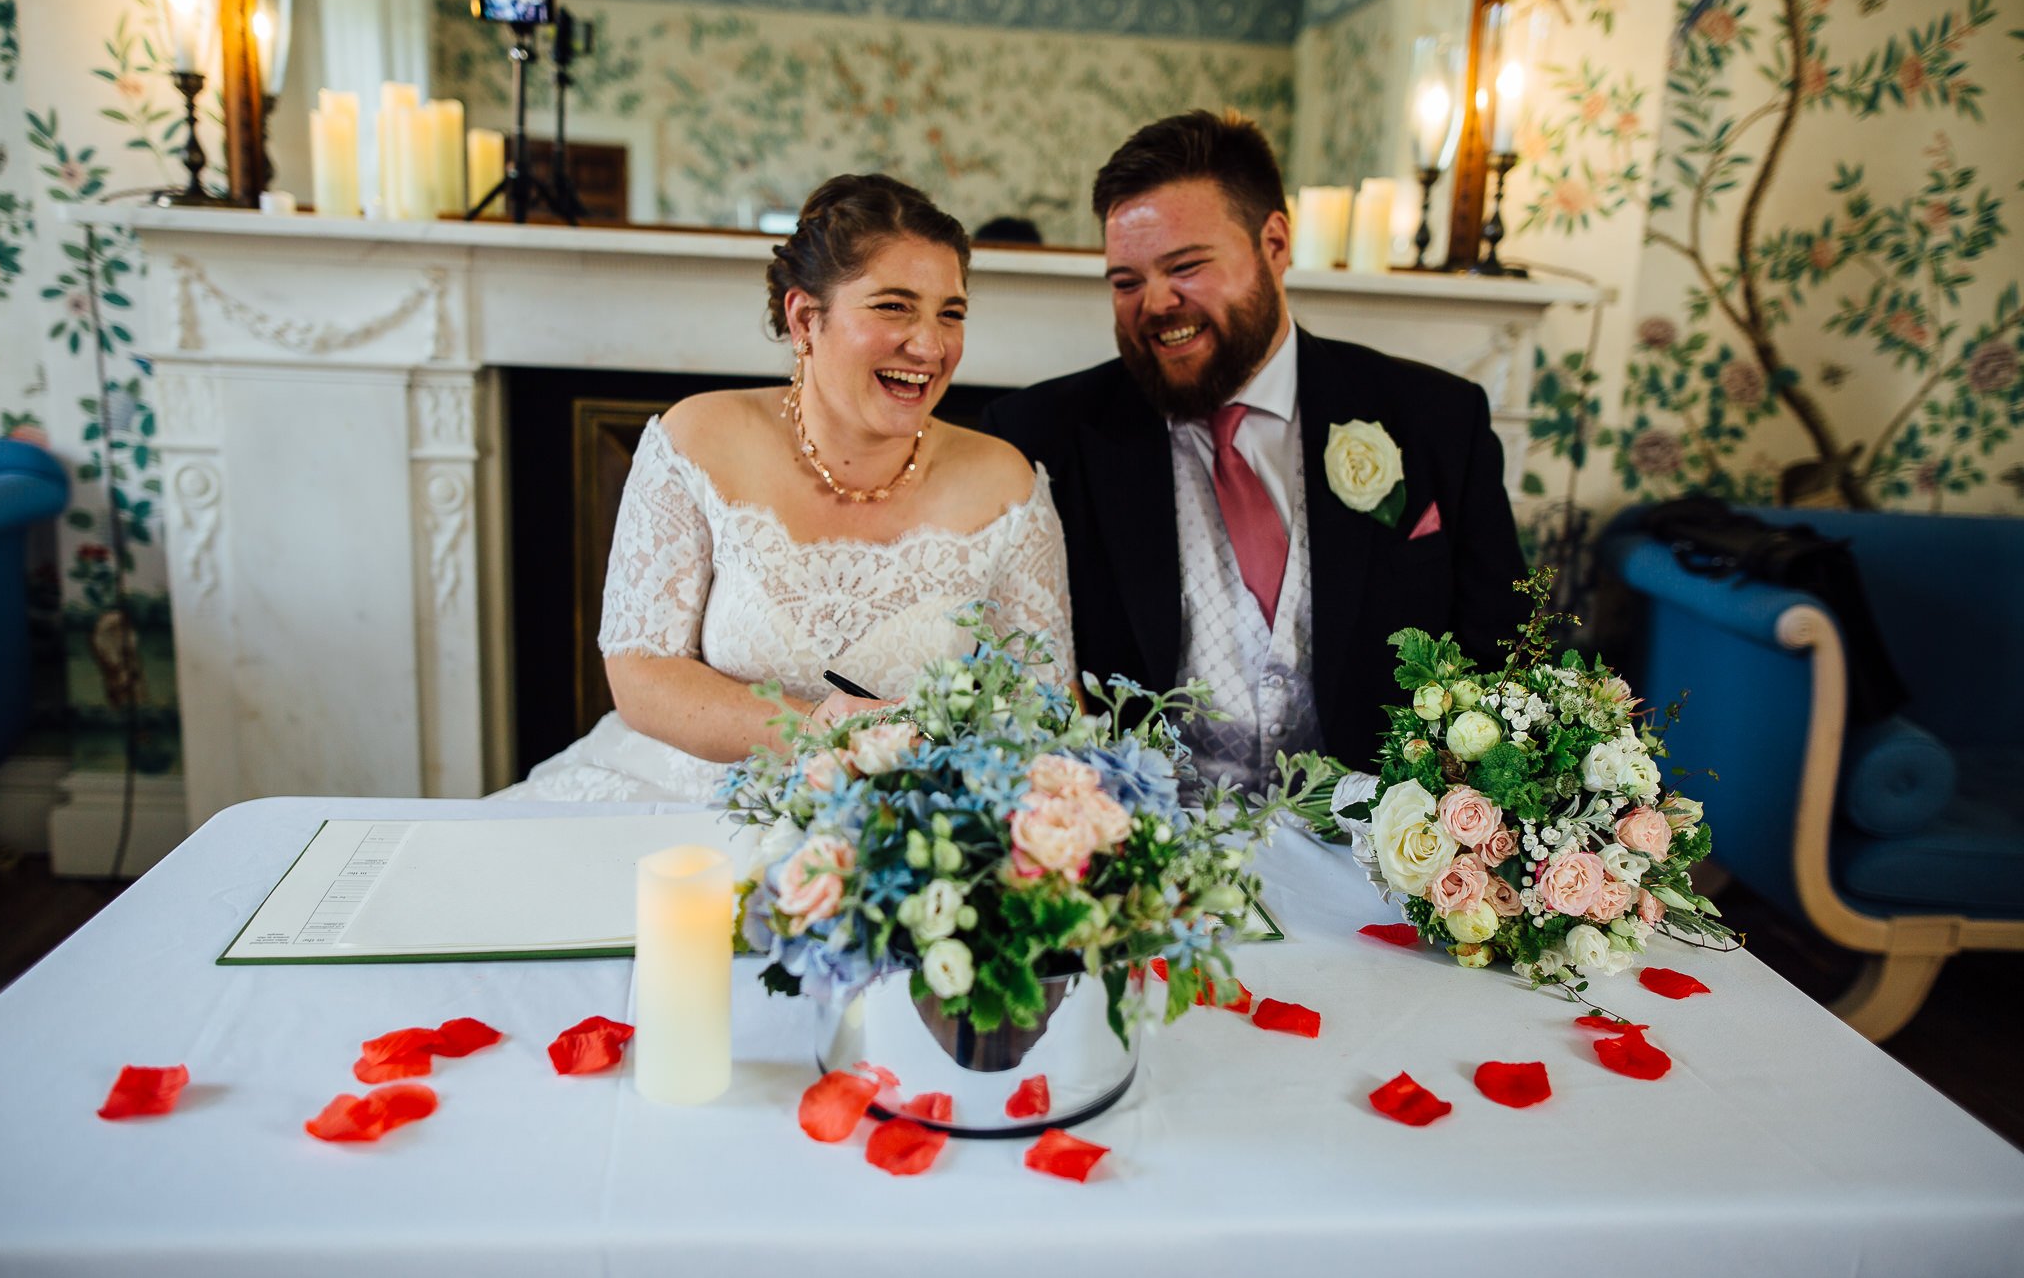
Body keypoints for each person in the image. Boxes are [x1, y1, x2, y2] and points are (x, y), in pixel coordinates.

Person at [985, 111, 1526, 787]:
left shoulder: (1435, 420)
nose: (1154, 303)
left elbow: (1503, 657)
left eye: (1186, 266)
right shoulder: (1041, 438)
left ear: (1274, 243)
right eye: (1126, 281)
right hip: (1149, 852)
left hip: (1376, 851)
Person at [500, 174, 1074, 802]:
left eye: (951, 313)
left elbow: (1048, 704)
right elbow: (641, 674)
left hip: (914, 822)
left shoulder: (1006, 485)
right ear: (805, 317)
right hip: (691, 800)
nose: (930, 345)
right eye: (893, 306)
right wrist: (814, 732)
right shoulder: (698, 438)